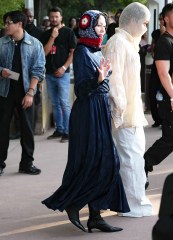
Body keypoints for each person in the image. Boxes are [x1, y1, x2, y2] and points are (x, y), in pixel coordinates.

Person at [42, 10, 130, 233]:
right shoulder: (82, 51)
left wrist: (103, 79)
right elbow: (81, 90)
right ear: (87, 26)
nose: (102, 29)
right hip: (87, 112)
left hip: (99, 110)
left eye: (104, 25)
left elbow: (100, 83)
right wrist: (99, 78)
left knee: (105, 161)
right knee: (97, 160)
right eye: (98, 25)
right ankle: (77, 205)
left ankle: (94, 216)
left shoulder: (95, 50)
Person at [104, 2, 153, 217]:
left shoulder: (129, 43)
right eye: (144, 23)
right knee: (130, 160)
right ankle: (132, 204)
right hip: (124, 115)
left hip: (133, 113)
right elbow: (114, 82)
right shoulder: (117, 43)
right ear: (132, 20)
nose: (146, 28)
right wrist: (119, 112)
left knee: (135, 159)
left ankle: (134, 200)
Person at [0, 10, 46, 176]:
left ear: (19, 24)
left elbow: (39, 69)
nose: (6, 26)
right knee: (2, 129)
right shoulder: (2, 43)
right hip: (4, 92)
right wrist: (1, 71)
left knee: (27, 130)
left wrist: (30, 93)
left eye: (8, 23)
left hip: (26, 92)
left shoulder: (35, 44)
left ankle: (27, 163)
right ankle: (0, 163)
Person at [144, 3, 173, 188]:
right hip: (172, 98)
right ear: (166, 18)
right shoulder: (165, 42)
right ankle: (145, 162)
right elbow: (163, 72)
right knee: (171, 138)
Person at [40, 7, 77, 142]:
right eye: (52, 17)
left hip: (63, 73)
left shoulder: (68, 33)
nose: (54, 19)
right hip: (49, 73)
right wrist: (52, 37)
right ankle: (59, 129)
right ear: (49, 18)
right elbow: (44, 52)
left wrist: (64, 67)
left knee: (64, 103)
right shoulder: (46, 34)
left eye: (56, 17)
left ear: (61, 17)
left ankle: (67, 132)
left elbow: (73, 52)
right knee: (55, 103)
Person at [149, 13, 165, 128]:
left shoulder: (172, 33)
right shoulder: (156, 33)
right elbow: (153, 48)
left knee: (165, 93)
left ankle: (164, 119)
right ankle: (157, 119)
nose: (160, 22)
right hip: (156, 66)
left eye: (162, 19)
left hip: (168, 67)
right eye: (159, 19)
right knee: (152, 91)